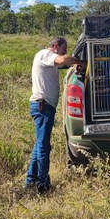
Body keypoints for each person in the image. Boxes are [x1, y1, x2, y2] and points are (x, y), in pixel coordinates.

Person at [26, 36, 84, 193]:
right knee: (43, 147)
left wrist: (73, 64)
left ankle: (30, 180)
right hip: (42, 106)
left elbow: (63, 63)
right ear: (56, 45)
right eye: (63, 49)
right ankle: (42, 184)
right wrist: (80, 61)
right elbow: (63, 59)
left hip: (45, 106)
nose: (64, 52)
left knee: (39, 145)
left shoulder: (48, 59)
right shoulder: (45, 54)